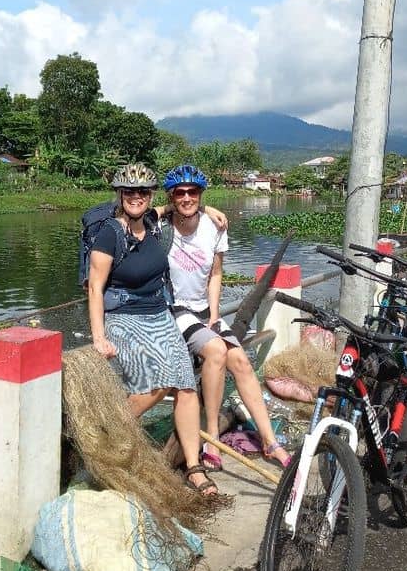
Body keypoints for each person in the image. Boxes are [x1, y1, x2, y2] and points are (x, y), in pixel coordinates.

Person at [87, 163, 218, 496]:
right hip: (124, 318)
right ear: (119, 195)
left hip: (160, 314)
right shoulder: (109, 233)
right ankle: (108, 436)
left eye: (142, 192)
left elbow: (179, 204)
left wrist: (208, 209)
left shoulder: (151, 223)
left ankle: (193, 467)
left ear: (150, 196)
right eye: (129, 192)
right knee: (158, 384)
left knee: (186, 386)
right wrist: (99, 336)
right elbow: (95, 287)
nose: (136, 197)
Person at [163, 164, 292, 470]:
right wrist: (206, 206)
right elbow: (131, 211)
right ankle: (210, 434)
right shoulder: (162, 227)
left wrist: (216, 313)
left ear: (200, 193)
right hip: (176, 310)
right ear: (170, 197)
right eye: (179, 193)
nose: (186, 198)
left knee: (242, 363)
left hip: (205, 311)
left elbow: (216, 273)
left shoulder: (215, 227)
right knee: (217, 351)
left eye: (193, 192)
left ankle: (269, 441)